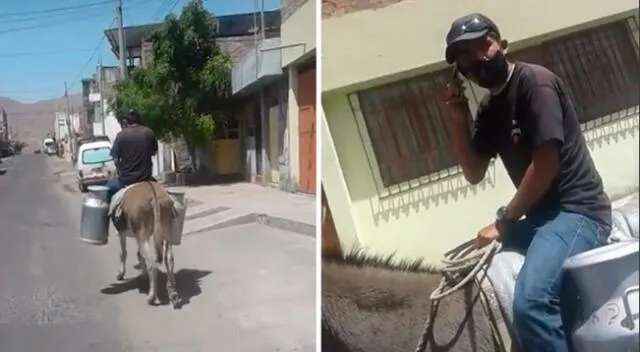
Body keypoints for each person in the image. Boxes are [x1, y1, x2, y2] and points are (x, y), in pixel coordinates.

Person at [443, 13, 612, 352]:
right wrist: (458, 118)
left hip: (578, 212)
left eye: (484, 45)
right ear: (459, 71)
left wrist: (504, 219)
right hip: (538, 220)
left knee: (531, 303)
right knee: (484, 288)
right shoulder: (490, 110)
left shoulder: (535, 83)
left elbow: (546, 165)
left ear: (503, 45)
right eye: (466, 55)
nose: (478, 58)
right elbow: (474, 172)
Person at [105, 109, 158, 204]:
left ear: (126, 122)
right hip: (146, 178)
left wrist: (120, 170)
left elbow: (116, 159)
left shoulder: (121, 135)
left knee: (108, 189)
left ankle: (106, 217)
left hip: (126, 180)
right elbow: (153, 152)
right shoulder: (149, 132)